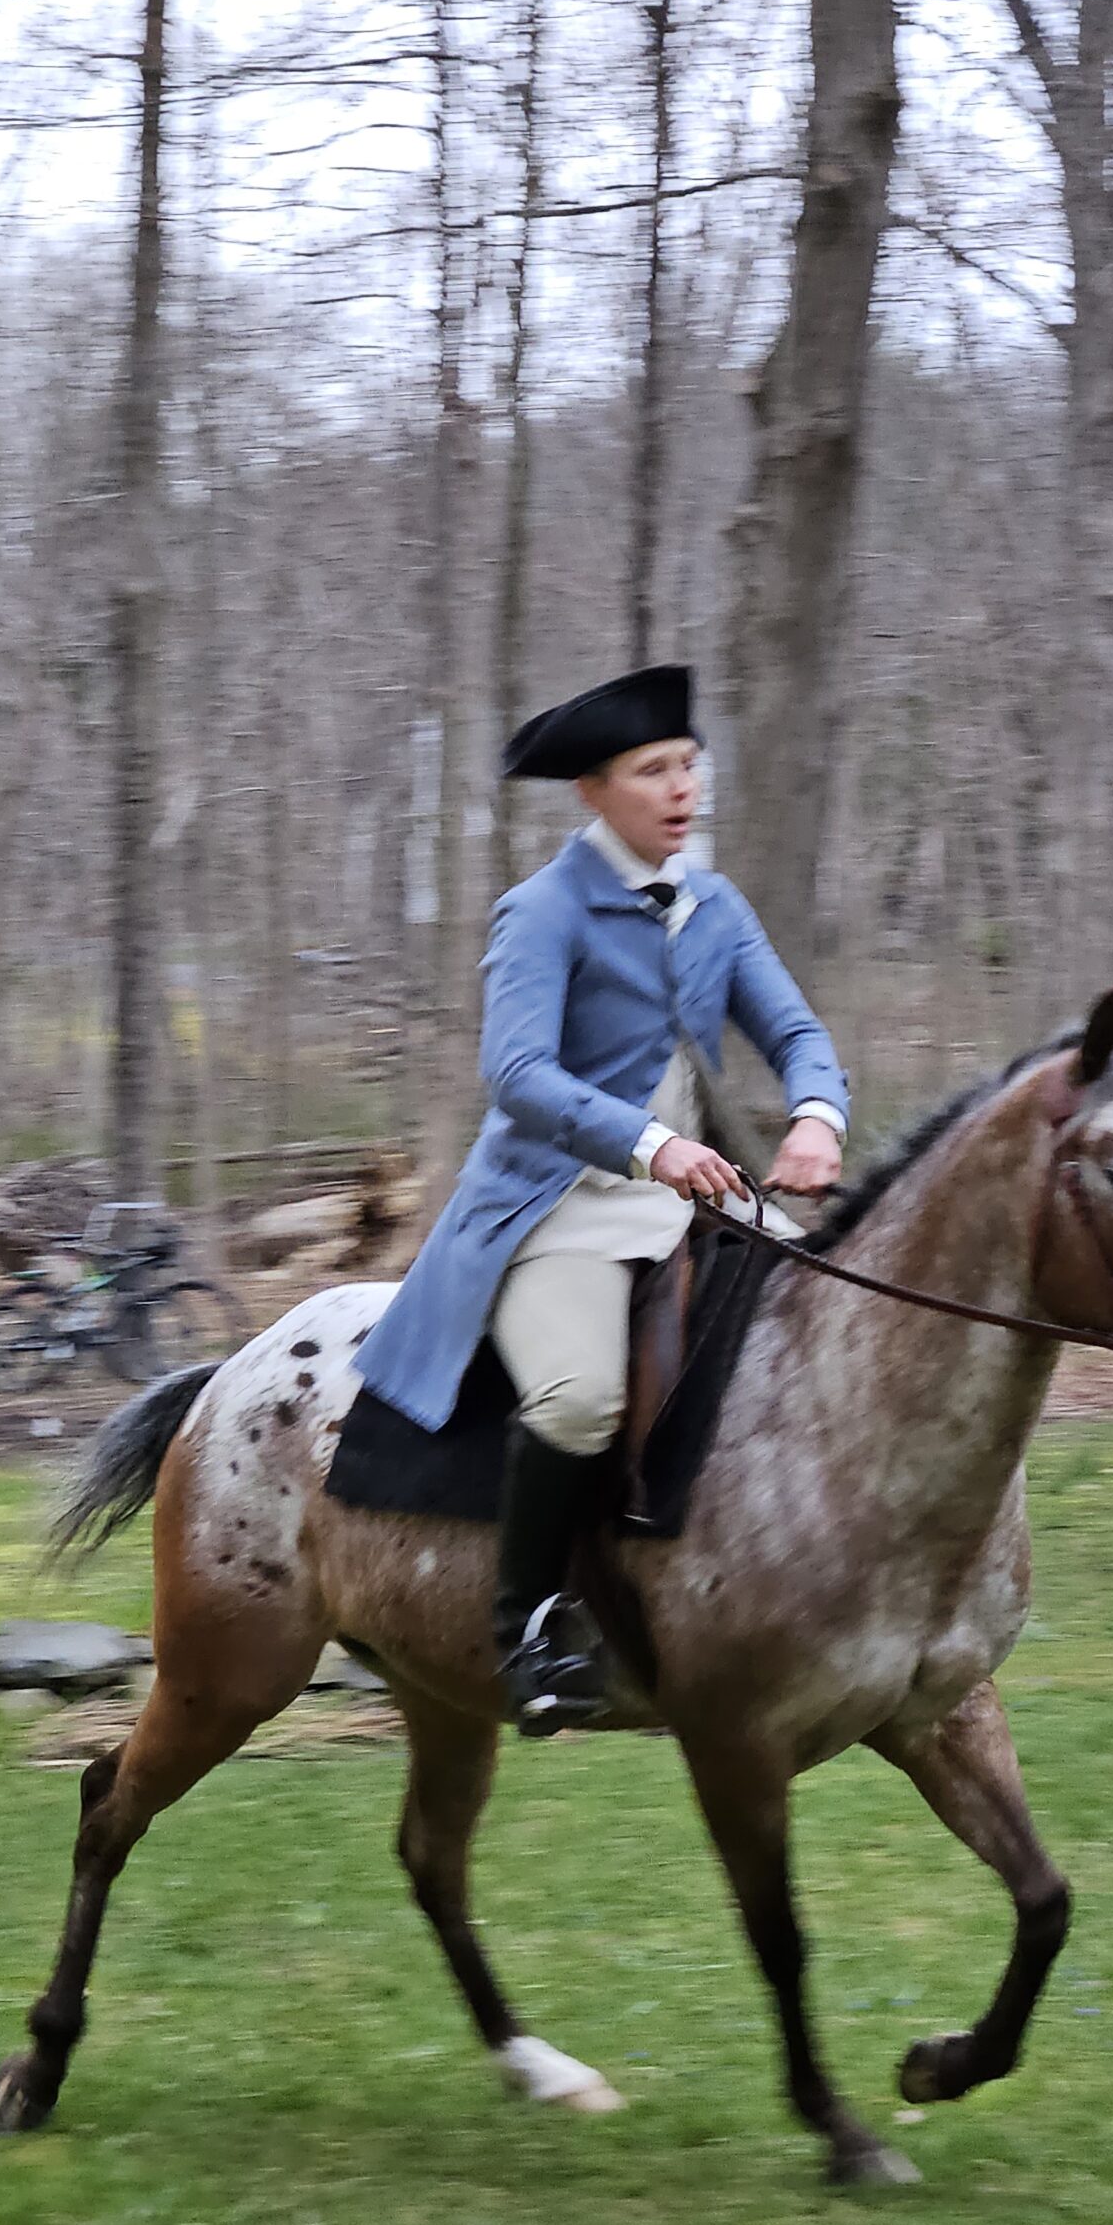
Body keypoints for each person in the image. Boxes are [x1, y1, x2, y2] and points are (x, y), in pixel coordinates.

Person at [351, 664, 849, 1735]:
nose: (682, 789)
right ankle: (525, 1626)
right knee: (578, 1398)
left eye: (687, 765)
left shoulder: (715, 906)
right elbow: (518, 1074)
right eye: (652, 771)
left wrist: (817, 1115)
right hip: (558, 1208)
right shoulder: (539, 911)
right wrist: (651, 1142)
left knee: (839, 1323)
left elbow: (796, 1033)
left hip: (705, 1196)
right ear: (594, 792)